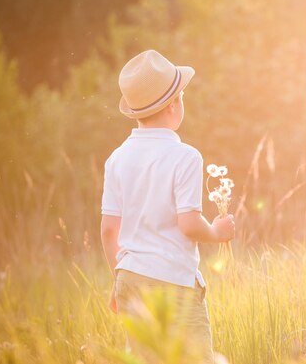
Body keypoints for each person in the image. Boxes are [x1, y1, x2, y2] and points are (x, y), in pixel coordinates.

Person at [100, 49, 235, 363]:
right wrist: (217, 232)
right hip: (172, 282)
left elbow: (109, 230)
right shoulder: (185, 156)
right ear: (174, 105)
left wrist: (119, 277)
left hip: (129, 279)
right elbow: (189, 223)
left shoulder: (117, 158)